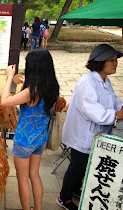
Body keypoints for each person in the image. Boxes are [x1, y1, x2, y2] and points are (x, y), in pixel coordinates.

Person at [56, 44, 123, 210]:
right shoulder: (87, 82)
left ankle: (75, 190)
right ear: (100, 62)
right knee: (77, 167)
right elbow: (91, 110)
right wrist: (115, 115)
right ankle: (63, 198)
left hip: (95, 134)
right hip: (83, 134)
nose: (116, 64)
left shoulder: (104, 81)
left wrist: (120, 108)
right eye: (112, 60)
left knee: (86, 165)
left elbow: (114, 101)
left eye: (116, 60)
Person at [1, 48, 59, 210]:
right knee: (34, 175)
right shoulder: (51, 86)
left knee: (22, 179)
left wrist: (9, 78)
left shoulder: (31, 91)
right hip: (40, 139)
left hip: (25, 141)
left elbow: (5, 101)